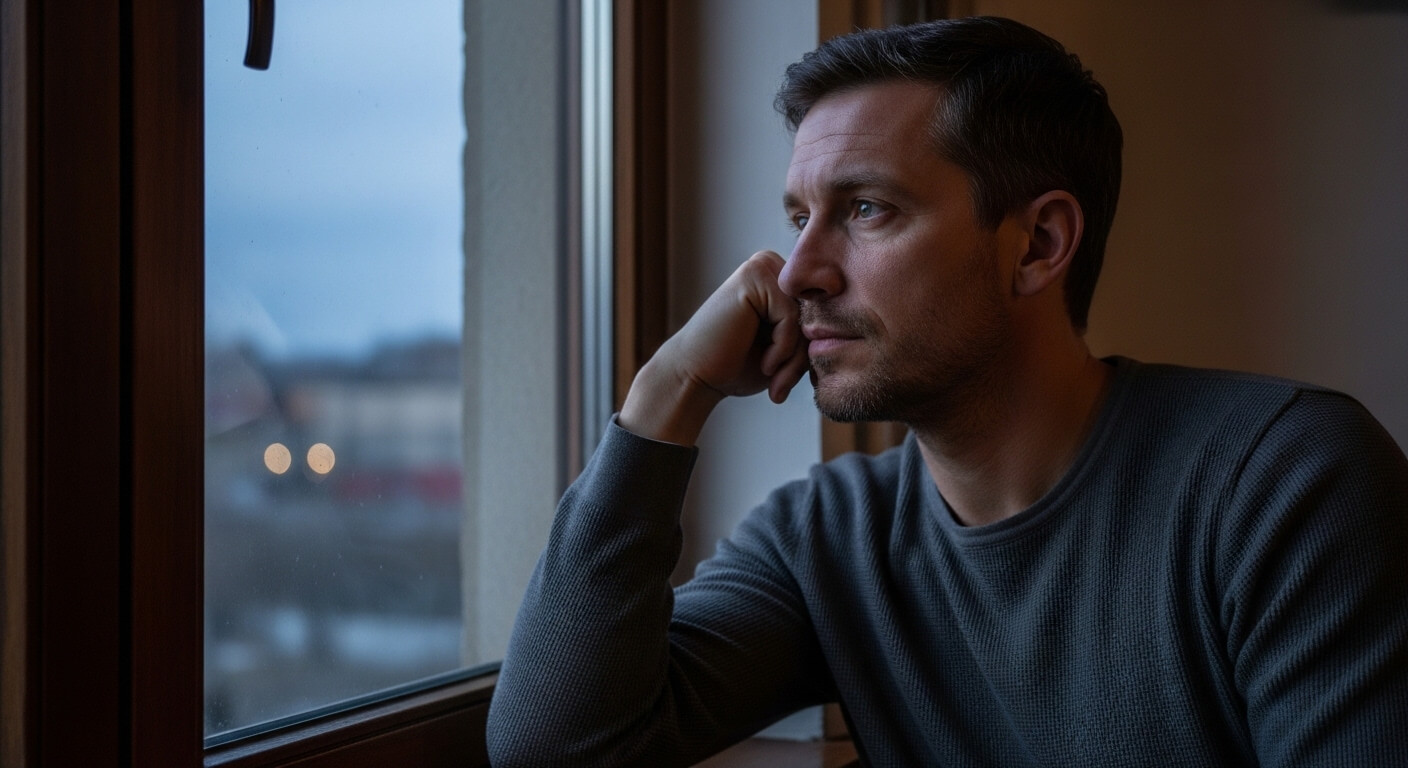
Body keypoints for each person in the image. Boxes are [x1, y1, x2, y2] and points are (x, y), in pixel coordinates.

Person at [486, 16, 1408, 767]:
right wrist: (667, 388)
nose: (796, 271)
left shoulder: (1287, 479)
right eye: (799, 217)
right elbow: (555, 746)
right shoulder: (826, 540)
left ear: (1039, 246)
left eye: (866, 210)